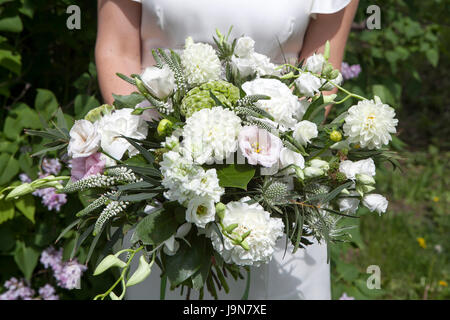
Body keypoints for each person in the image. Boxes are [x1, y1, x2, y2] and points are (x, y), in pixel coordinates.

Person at [95, 0, 359, 300]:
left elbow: (322, 78)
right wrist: (160, 157)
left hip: (274, 185)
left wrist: (256, 172)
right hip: (163, 181)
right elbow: (117, 51)